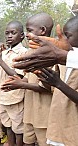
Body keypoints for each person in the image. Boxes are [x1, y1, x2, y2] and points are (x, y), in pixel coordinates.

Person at [1, 13, 54, 146]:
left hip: (43, 114)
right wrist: (18, 83)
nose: (27, 34)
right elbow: (29, 78)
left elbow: (47, 87)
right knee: (27, 141)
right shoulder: (32, 53)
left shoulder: (51, 55)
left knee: (43, 142)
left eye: (30, 30)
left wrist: (22, 85)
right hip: (30, 111)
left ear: (42, 30)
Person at [31, 15, 78, 146]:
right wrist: (45, 76)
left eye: (67, 36)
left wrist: (58, 83)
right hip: (58, 122)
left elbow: (59, 85)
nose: (62, 40)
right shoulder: (62, 61)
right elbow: (52, 88)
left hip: (73, 127)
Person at [0, 21, 27, 146]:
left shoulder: (23, 53)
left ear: (22, 35)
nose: (9, 36)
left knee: (18, 129)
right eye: (7, 33)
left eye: (13, 33)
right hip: (3, 97)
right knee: (8, 126)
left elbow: (17, 76)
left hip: (15, 98)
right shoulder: (4, 53)